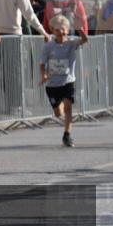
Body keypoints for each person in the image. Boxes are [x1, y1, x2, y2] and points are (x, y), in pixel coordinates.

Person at [40, 14, 88, 147]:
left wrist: (79, 28)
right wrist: (43, 75)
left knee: (68, 108)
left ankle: (67, 135)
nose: (60, 32)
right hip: (52, 84)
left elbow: (84, 40)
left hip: (68, 81)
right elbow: (42, 63)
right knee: (58, 112)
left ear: (67, 29)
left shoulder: (72, 43)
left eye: (63, 29)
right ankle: (58, 106)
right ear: (53, 30)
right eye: (57, 29)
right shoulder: (48, 46)